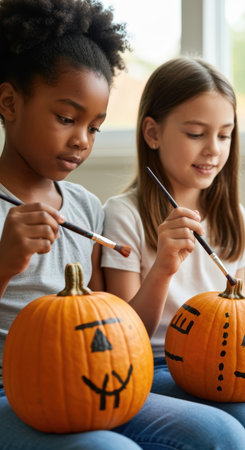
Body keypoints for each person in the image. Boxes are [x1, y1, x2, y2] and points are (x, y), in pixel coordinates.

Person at [0, 1, 245, 446]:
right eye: (66, 119)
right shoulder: (116, 212)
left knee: (221, 434)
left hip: (93, 379)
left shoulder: (86, 208)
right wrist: (2, 265)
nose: (81, 140)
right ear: (9, 102)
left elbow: (110, 323)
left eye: (95, 127)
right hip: (11, 390)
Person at [101, 56, 245, 437]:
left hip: (226, 365)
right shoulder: (123, 215)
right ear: (152, 133)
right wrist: (164, 265)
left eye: (225, 134)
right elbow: (127, 334)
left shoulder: (237, 220)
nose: (213, 150)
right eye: (196, 134)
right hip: (154, 364)